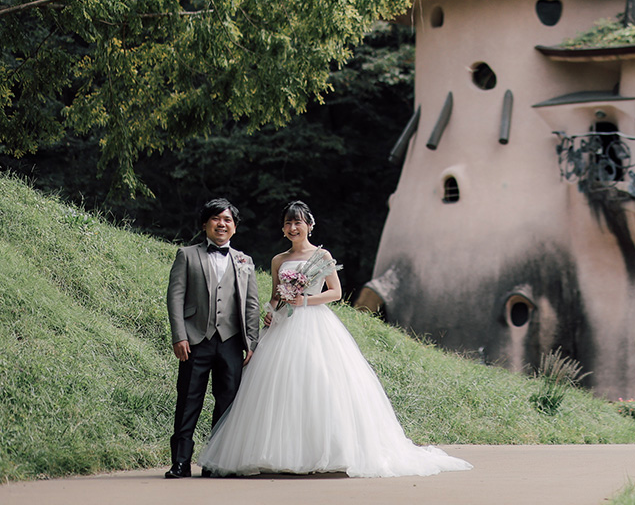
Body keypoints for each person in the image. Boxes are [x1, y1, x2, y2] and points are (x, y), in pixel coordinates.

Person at [197, 201, 472, 478]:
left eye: (299, 223)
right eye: (289, 223)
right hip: (283, 325)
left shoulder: (322, 255)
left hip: (315, 323)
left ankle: (326, 452)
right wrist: (271, 312)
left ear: (309, 226)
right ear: (283, 229)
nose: (294, 228)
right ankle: (281, 452)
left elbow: (335, 292)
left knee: (320, 383)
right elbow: (275, 296)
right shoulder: (278, 260)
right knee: (282, 386)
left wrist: (305, 299)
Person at [166, 198, 260, 479]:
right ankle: (181, 462)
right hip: (195, 339)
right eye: (216, 219)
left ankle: (215, 462)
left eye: (228, 220)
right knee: (188, 400)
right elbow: (175, 297)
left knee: (227, 402)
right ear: (205, 223)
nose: (222, 224)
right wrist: (179, 335)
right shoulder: (187, 254)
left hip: (232, 341)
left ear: (234, 227)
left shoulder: (245, 261)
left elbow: (252, 304)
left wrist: (251, 343)